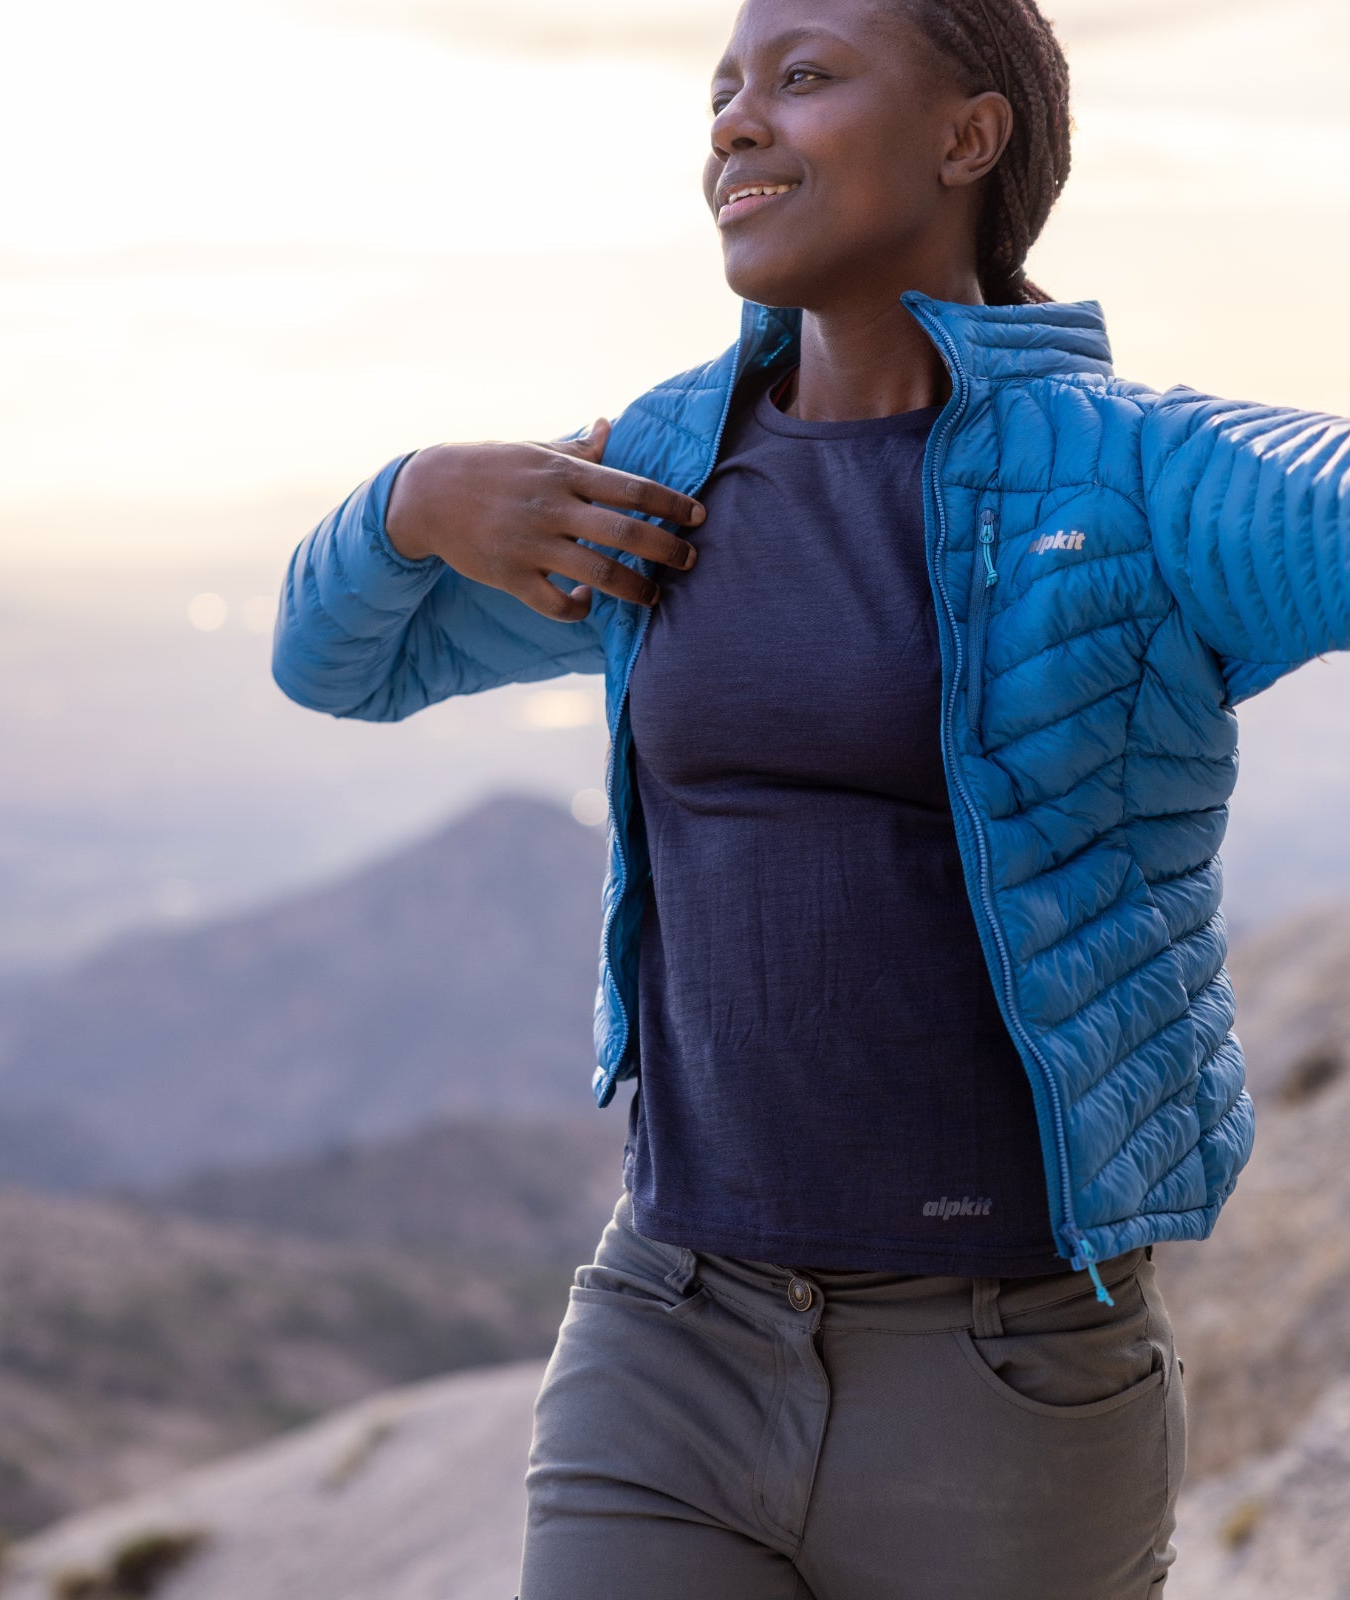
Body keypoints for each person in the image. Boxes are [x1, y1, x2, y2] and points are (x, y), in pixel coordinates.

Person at [270, 0, 1350, 1593]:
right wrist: (411, 505)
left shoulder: (1129, 478)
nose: (735, 122)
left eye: (805, 75)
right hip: (672, 1336)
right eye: (722, 90)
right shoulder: (658, 471)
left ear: (967, 140)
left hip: (1006, 1379)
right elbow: (338, 663)